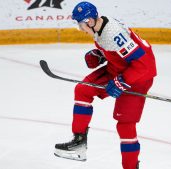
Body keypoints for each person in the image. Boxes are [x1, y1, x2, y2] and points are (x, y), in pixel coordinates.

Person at [54, 1, 157, 169]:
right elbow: (118, 53)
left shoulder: (113, 33)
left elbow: (144, 64)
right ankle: (79, 143)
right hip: (119, 69)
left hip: (139, 78)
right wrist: (101, 55)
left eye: (81, 25)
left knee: (125, 125)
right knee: (83, 89)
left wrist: (123, 81)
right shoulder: (99, 27)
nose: (81, 29)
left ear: (89, 21)